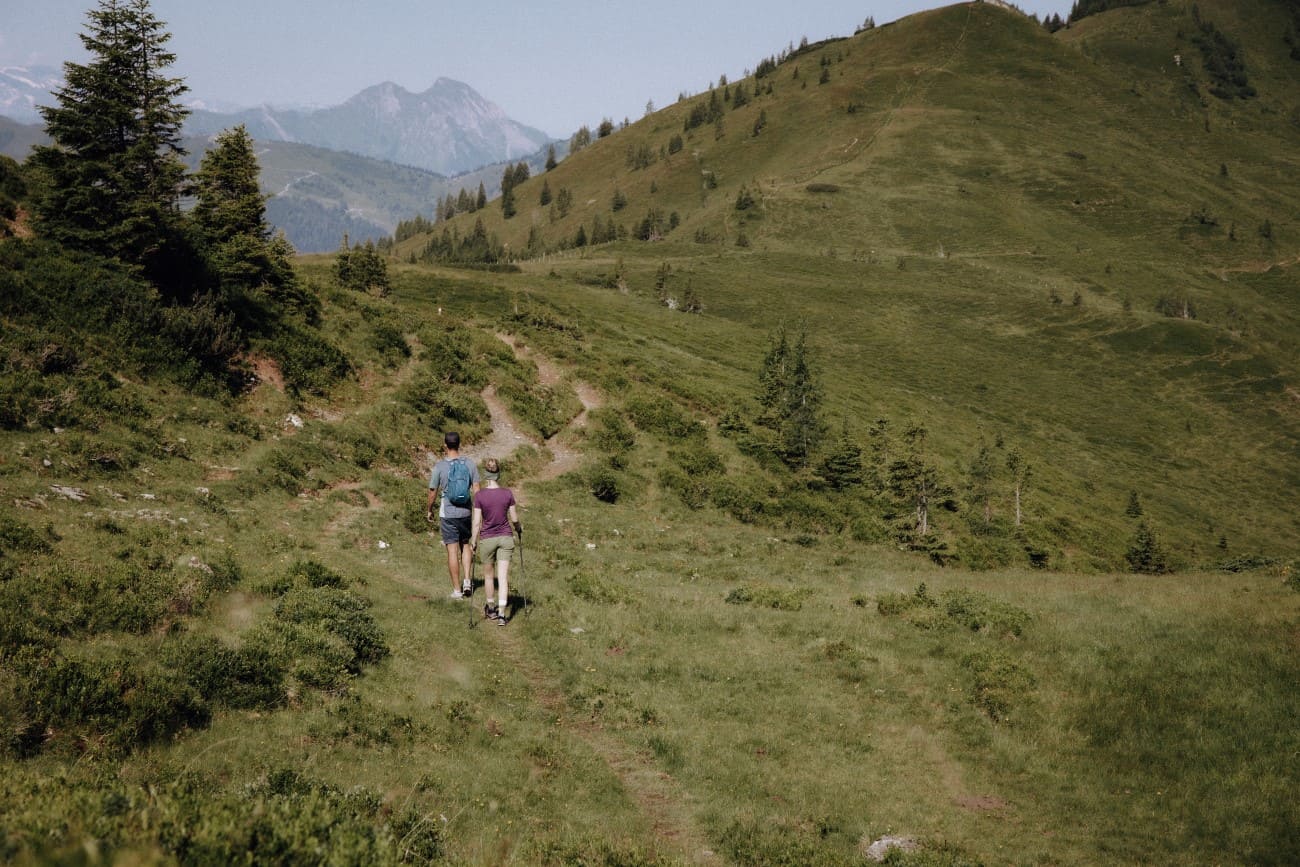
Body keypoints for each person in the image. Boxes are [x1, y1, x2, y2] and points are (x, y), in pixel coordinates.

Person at [427, 432, 479, 599]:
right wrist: (478, 512)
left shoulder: (439, 467)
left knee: (452, 550)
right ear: (459, 444)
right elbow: (477, 490)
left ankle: (457, 591)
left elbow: (432, 492)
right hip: (465, 512)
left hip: (447, 513)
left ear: (445, 445)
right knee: (465, 545)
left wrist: (429, 509)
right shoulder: (470, 464)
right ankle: (467, 581)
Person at [470, 457, 521, 625]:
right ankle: (501, 614)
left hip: (487, 538)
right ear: (498, 475)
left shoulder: (480, 496)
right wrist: (518, 528)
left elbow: (477, 522)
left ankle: (490, 608)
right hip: (505, 537)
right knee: (503, 577)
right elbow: (514, 517)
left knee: (489, 576)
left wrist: (473, 540)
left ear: (486, 475)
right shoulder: (507, 493)